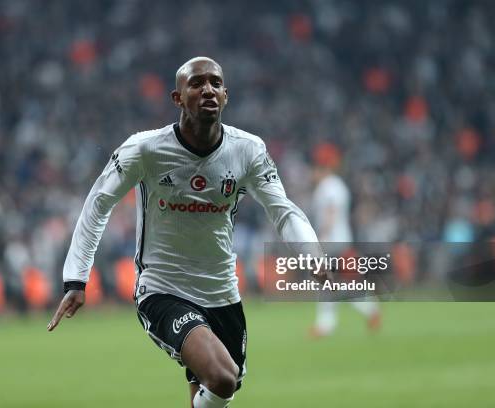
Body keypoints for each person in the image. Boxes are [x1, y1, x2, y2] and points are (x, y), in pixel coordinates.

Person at [47, 57, 320, 408]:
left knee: (219, 385)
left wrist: (312, 252)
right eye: (196, 83)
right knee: (222, 377)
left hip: (222, 292)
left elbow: (282, 209)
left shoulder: (248, 150)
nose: (207, 89)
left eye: (215, 83)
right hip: (163, 290)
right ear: (177, 98)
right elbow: (98, 204)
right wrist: (76, 279)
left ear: (225, 96)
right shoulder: (145, 149)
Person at [306, 143, 381, 337]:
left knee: (328, 283)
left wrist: (321, 238)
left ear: (321, 168)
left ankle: (327, 324)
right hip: (341, 240)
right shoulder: (338, 185)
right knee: (340, 284)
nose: (311, 173)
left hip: (332, 242)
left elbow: (330, 213)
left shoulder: (327, 186)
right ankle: (370, 310)